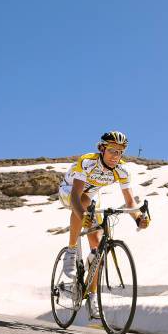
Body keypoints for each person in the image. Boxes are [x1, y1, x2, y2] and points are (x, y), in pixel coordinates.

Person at [58, 131, 150, 319]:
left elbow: (130, 201)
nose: (116, 156)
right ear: (102, 149)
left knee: (97, 247)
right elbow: (76, 195)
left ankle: (91, 296)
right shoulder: (87, 161)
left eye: (120, 152)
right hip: (69, 192)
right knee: (83, 202)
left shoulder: (121, 170)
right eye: (112, 151)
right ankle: (71, 251)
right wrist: (82, 215)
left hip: (91, 196)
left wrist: (139, 218)